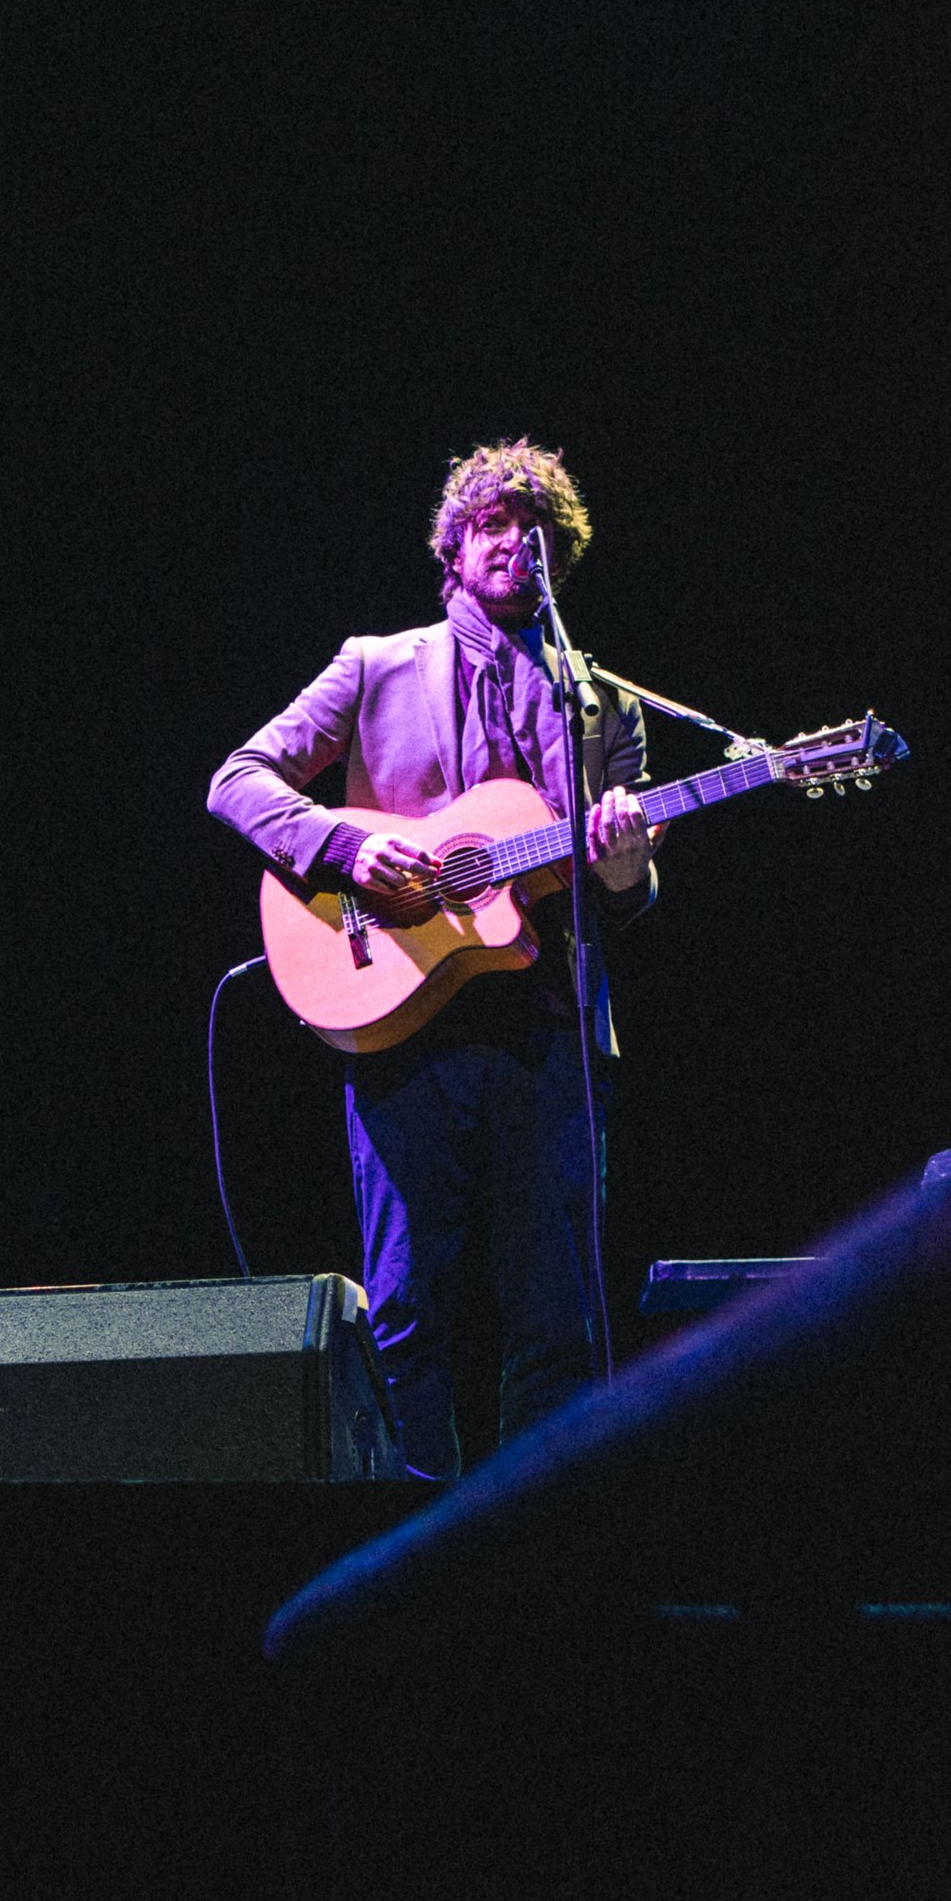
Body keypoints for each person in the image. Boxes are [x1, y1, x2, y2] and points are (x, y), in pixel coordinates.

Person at [207, 440, 655, 1482]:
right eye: (492, 523)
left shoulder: (606, 707)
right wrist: (349, 844)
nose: (514, 541)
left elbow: (623, 902)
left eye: (534, 527)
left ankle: (530, 1543)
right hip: (401, 1021)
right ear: (452, 549)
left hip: (548, 1034)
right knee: (408, 1312)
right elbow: (239, 777)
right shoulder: (376, 664)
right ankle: (409, 1554)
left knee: (559, 1321)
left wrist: (627, 869)